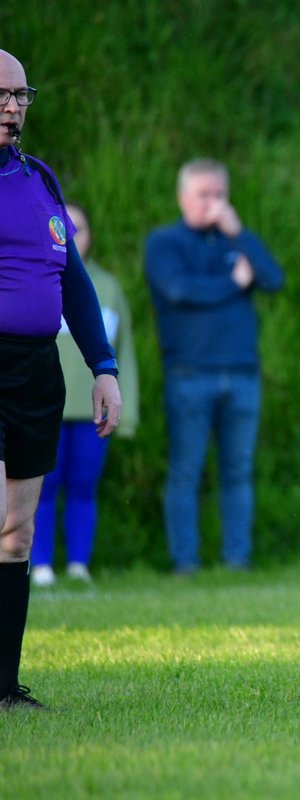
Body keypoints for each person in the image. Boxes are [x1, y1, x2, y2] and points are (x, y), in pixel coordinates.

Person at [0, 50, 122, 710]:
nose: (13, 107)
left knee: (15, 535)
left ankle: (4, 689)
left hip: (36, 371)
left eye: (20, 95)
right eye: (1, 95)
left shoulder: (39, 179)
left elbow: (72, 283)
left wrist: (103, 368)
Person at [144, 159, 284, 575]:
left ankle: (236, 560)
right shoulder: (164, 242)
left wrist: (239, 233)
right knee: (186, 469)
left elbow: (274, 279)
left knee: (237, 470)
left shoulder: (234, 241)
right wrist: (234, 284)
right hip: (189, 374)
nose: (212, 204)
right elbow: (179, 291)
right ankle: (185, 562)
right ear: (183, 197)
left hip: (242, 375)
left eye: (219, 195)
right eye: (203, 195)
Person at [31, 204, 140, 587]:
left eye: (80, 227)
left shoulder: (107, 287)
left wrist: (127, 409)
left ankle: (79, 565)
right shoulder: (33, 280)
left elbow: (123, 352)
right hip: (45, 407)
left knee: (83, 488)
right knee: (41, 489)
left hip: (91, 410)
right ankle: (39, 565)